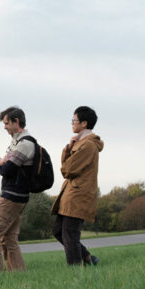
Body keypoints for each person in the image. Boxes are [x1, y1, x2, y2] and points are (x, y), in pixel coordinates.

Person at [0, 106, 35, 273]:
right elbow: (5, 168)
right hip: (17, 195)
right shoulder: (17, 142)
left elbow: (6, 170)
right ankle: (18, 273)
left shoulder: (25, 144)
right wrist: (1, 162)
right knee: (9, 238)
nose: (4, 126)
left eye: (6, 123)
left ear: (16, 122)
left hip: (12, 196)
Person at [51, 106, 104, 266]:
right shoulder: (80, 143)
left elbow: (68, 169)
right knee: (58, 231)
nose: (72, 124)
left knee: (70, 233)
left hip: (78, 194)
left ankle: (75, 268)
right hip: (71, 193)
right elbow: (67, 168)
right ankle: (88, 257)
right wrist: (69, 148)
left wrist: (69, 151)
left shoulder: (88, 145)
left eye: (74, 120)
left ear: (84, 123)